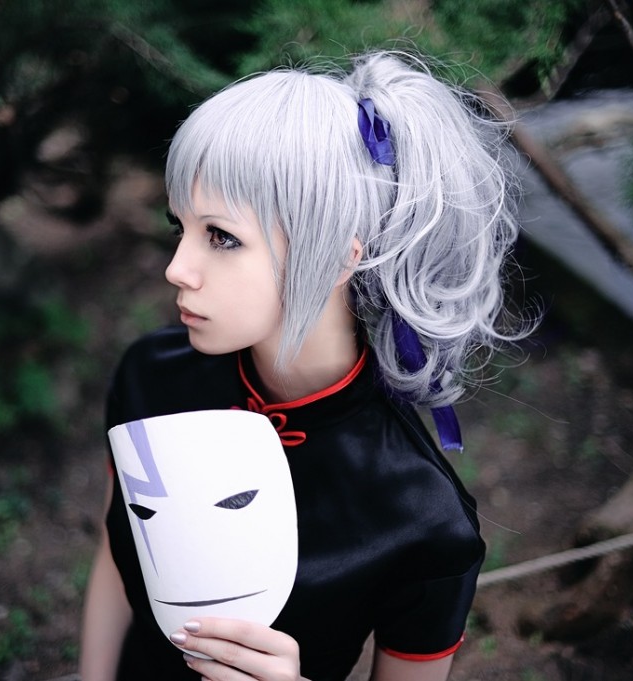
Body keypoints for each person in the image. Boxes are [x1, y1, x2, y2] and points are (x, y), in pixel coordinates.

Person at [81, 50, 524, 681]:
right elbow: (115, 549)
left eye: (221, 236)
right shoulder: (153, 374)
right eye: (180, 226)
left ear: (338, 255)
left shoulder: (421, 514)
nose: (176, 268)